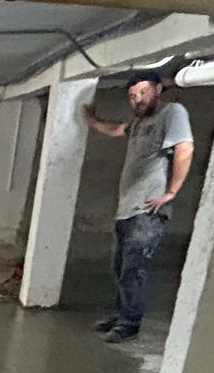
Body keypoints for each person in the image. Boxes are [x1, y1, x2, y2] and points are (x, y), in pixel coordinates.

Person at [82, 70, 195, 342]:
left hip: (148, 210)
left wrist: (171, 192)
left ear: (157, 89)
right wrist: (91, 120)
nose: (138, 99)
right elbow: (115, 129)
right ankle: (120, 314)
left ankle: (129, 323)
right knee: (121, 267)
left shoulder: (173, 113)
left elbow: (185, 148)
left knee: (134, 268)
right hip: (127, 210)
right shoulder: (138, 123)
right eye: (133, 96)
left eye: (143, 92)